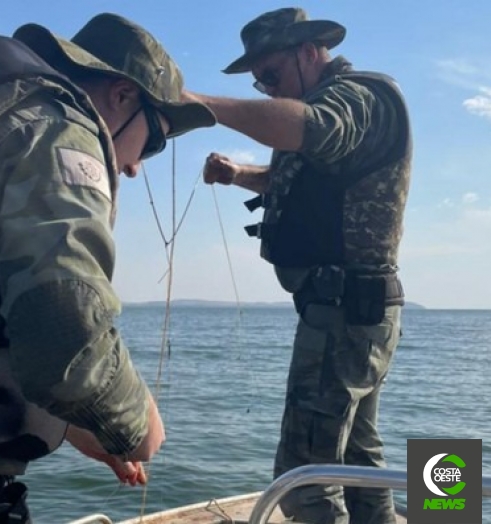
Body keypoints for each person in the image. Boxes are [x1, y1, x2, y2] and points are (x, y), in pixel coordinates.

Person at [181, 7, 411, 524]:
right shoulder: (327, 110)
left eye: (271, 76)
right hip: (354, 311)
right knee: (357, 456)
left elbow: (314, 130)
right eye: (260, 82)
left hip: (344, 311)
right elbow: (302, 177)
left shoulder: (356, 97)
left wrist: (196, 103)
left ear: (310, 53)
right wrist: (239, 173)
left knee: (304, 473)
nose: (267, 90)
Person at [0, 12, 216, 523]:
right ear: (122, 95)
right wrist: (134, 424)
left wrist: (71, 423)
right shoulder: (54, 123)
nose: (138, 166)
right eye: (156, 139)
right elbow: (63, 326)